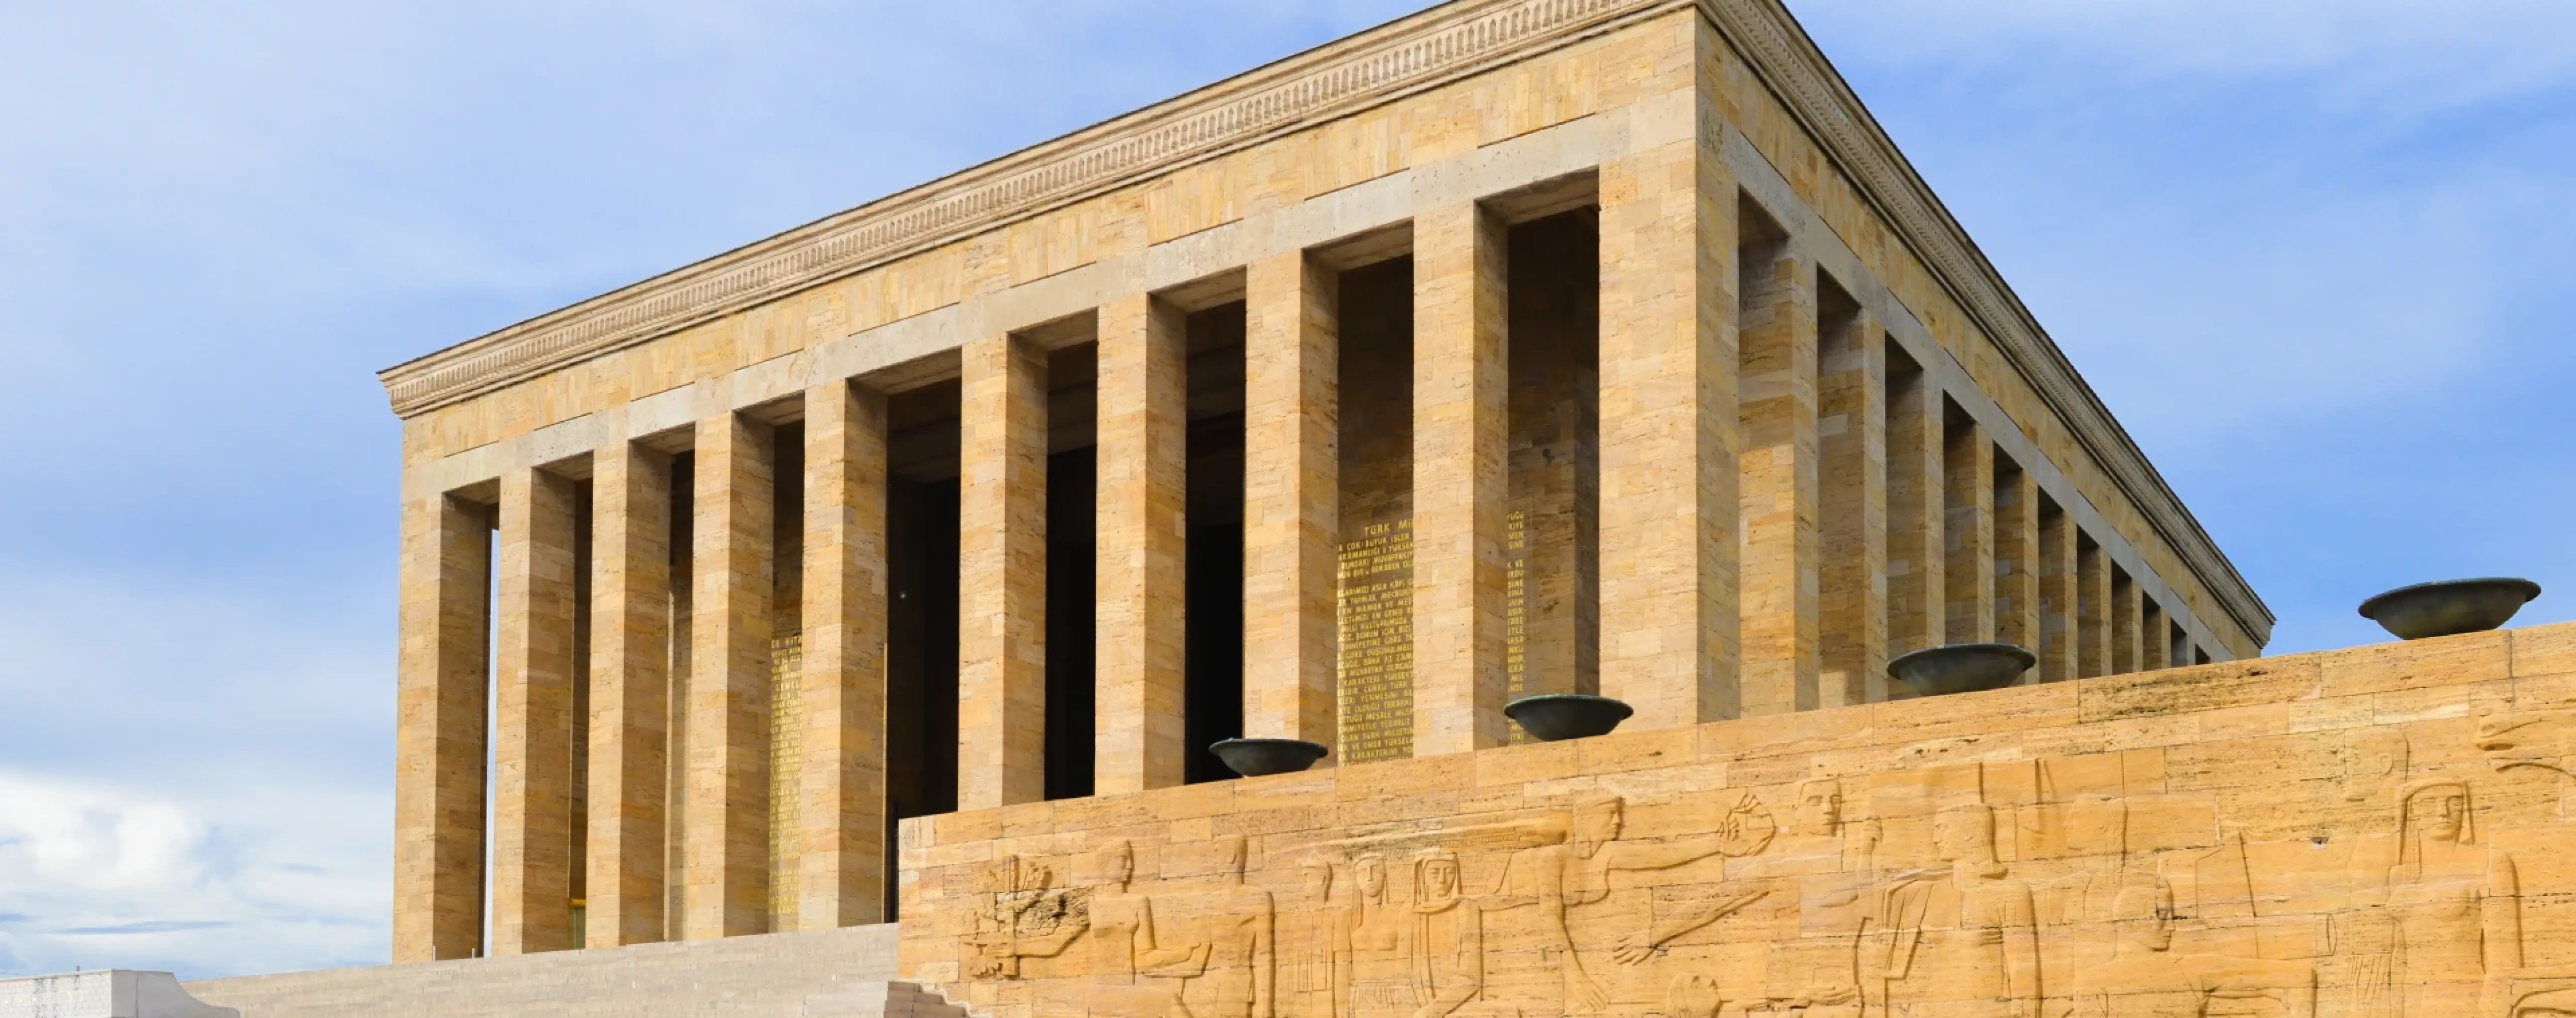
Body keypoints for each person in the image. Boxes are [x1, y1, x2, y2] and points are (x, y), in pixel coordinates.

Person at [2352, 779, 2521, 1017]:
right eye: (2428, 803)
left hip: (2463, 989)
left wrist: (2498, 996)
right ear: (2413, 813)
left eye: (2454, 801)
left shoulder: (2489, 862)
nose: (2443, 812)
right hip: (2410, 992)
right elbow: (2400, 953)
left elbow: (2504, 948)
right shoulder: (2400, 874)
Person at [1861, 804, 2038, 1018]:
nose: (1936, 838)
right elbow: (1867, 911)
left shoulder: (2010, 894)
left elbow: (2024, 972)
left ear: (1970, 836)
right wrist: (1865, 853)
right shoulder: (1924, 893)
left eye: (1943, 828)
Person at [2072, 876, 2313, 1018]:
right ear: (2134, 921)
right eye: (2163, 917)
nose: (2172, 928)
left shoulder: (2190, 968)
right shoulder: (2092, 982)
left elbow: (2299, 978)